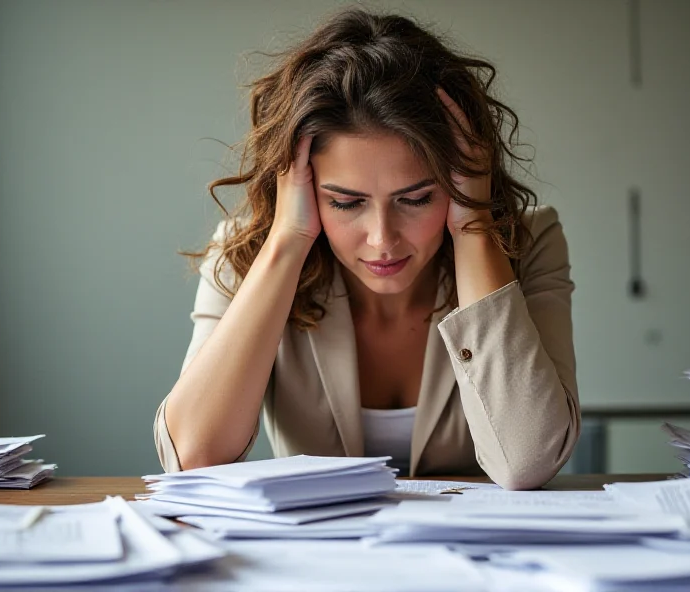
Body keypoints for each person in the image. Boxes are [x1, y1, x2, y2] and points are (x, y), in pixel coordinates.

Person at [154, 7, 580, 490]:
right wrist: (288, 240)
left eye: (416, 198)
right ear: (306, 189)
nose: (382, 239)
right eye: (347, 202)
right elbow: (193, 455)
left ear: (461, 180)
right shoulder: (245, 256)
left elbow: (528, 461)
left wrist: (474, 225)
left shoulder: (528, 243)